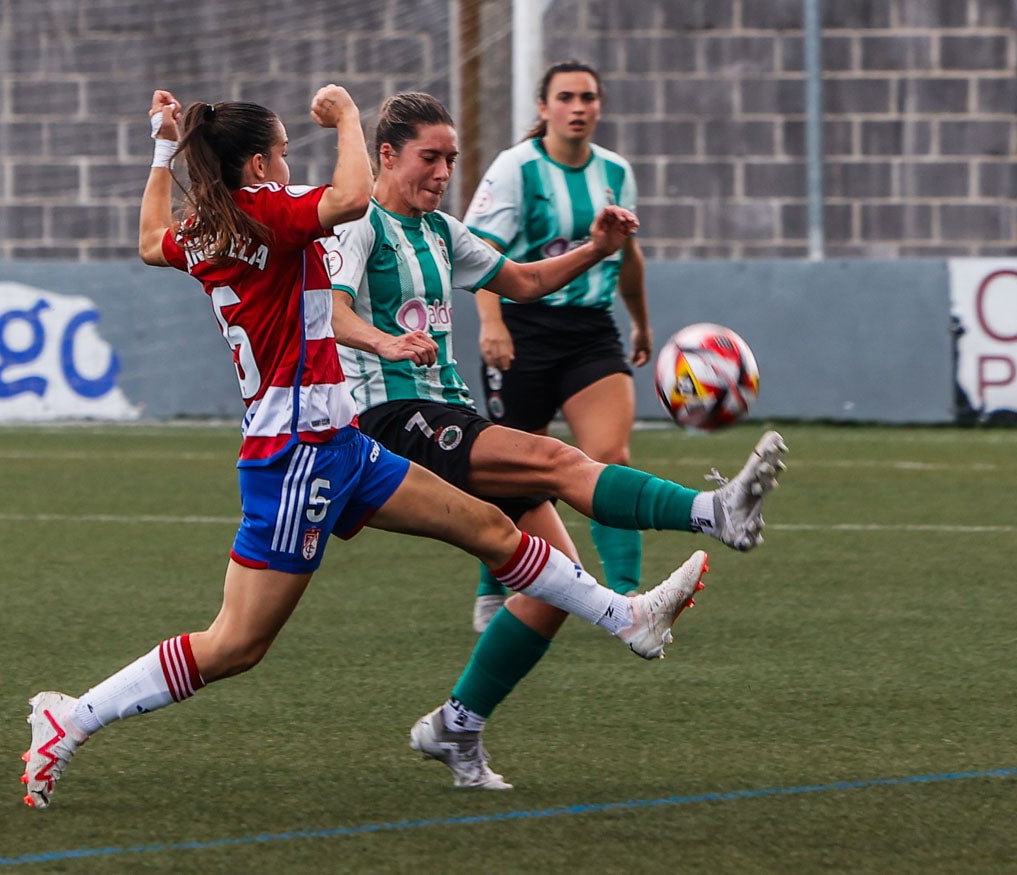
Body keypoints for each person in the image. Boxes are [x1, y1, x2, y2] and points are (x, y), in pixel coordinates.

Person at [19, 85, 709, 809]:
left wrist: (163, 150)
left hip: (336, 440)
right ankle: (72, 716)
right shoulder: (269, 214)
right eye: (283, 150)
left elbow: (146, 239)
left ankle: (623, 616)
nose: (291, 159)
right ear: (256, 166)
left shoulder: (210, 228)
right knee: (236, 643)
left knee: (490, 527)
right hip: (293, 457)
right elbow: (351, 199)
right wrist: (347, 116)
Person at [325, 91, 787, 790]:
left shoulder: (443, 232)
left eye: (450, 158)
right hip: (391, 420)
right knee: (557, 458)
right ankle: (712, 513)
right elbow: (329, 312)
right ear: (386, 155)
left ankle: (456, 725)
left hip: (446, 410)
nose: (443, 170)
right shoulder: (361, 225)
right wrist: (387, 339)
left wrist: (596, 249)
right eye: (429, 157)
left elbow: (523, 280)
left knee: (551, 587)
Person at [463, 59, 650, 629]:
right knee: (513, 472)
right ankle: (492, 580)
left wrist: (641, 321)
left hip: (591, 331)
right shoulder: (516, 169)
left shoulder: (615, 172)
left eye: (588, 97)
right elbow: (480, 254)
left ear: (600, 107)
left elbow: (626, 256)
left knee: (610, 456)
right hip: (523, 330)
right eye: (565, 97)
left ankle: (628, 596)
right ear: (543, 108)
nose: (578, 107)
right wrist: (492, 325)